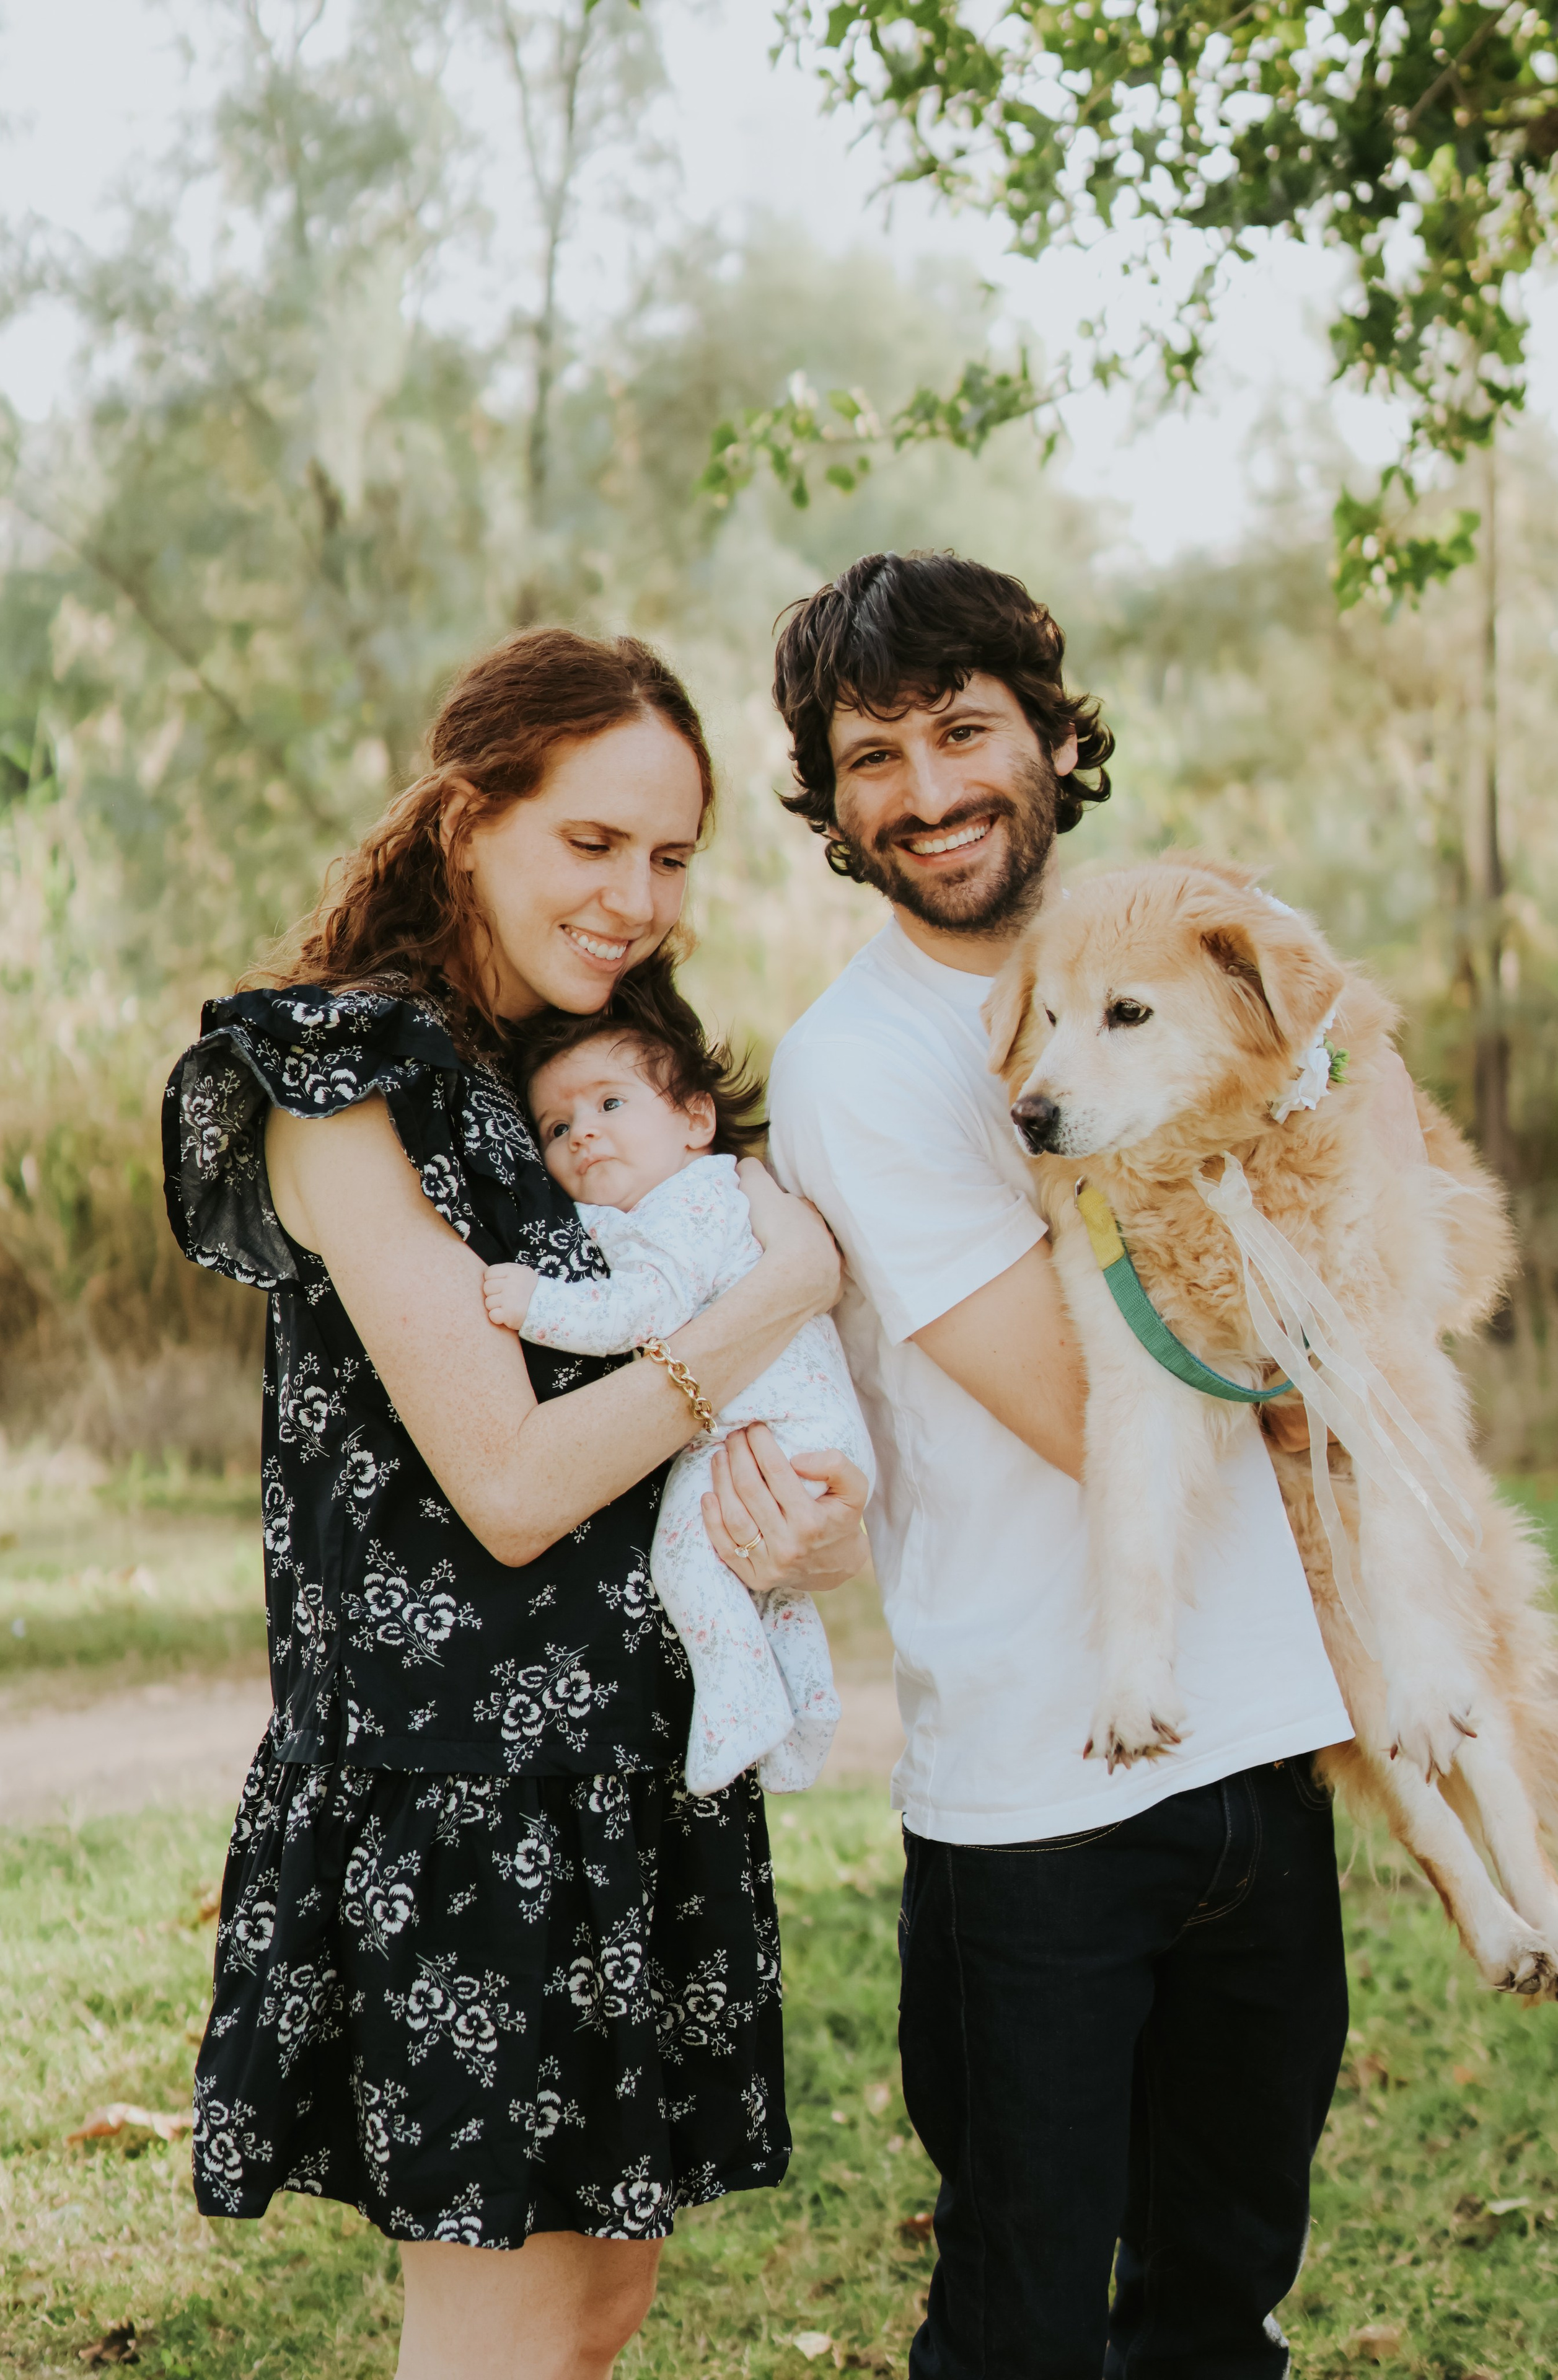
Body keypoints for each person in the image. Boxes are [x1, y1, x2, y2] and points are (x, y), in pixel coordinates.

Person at [162, 627, 869, 2380]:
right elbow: (514, 1485)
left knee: (597, 2313)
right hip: (463, 1803)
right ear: (471, 819)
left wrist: (802, 1530)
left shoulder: (596, 1081)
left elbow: (703, 1457)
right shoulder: (344, 1081)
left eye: (674, 856)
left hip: (630, 1778)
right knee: (495, 2341)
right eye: (595, 842)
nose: (638, 896)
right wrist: (784, 1290)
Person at [766, 550, 1357, 2380]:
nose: (928, 791)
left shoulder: (1198, 943)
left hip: (1270, 1732)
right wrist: (1336, 1324)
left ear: (1046, 731)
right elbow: (1108, 1404)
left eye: (963, 729)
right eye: (873, 755)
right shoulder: (860, 1067)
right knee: (1023, 2321)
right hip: (1041, 1790)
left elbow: (1383, 1176)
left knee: (1223, 2298)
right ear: (832, 797)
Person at [479, 970, 874, 1796]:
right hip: (792, 1430)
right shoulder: (694, 1196)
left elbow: (645, 1309)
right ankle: (801, 1713)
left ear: (697, 1120)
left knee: (688, 1566)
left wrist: (536, 1302)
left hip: (766, 1426)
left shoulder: (686, 1206)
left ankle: (740, 1707)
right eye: (556, 1126)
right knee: (766, 1580)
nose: (582, 1135)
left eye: (610, 1105)